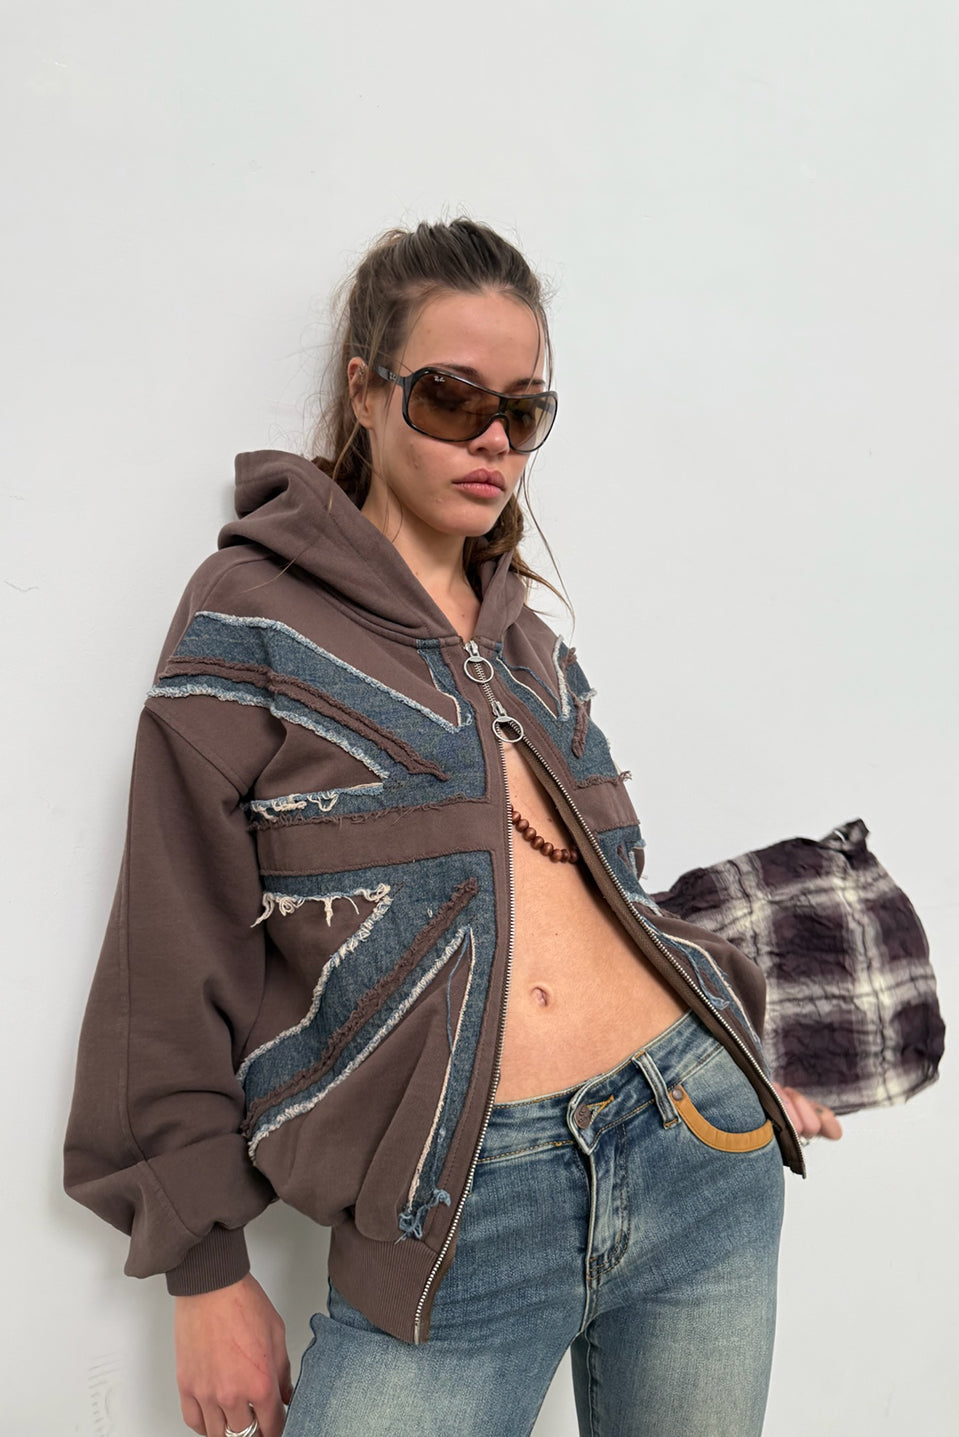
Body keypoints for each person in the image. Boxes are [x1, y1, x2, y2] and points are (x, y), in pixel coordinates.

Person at [64, 217, 841, 1437]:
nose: (491, 439)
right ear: (365, 393)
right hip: (460, 1218)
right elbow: (169, 951)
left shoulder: (520, 630)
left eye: (521, 412)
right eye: (450, 397)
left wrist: (736, 1046)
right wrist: (203, 1269)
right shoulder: (249, 615)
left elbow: (602, 895)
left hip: (695, 1148)